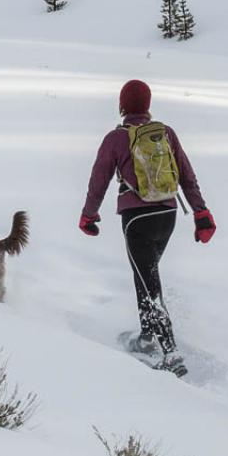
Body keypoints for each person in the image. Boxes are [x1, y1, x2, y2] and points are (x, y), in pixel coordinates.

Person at [81, 79, 214, 373]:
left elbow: (99, 180)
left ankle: (171, 354)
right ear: (148, 105)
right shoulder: (165, 134)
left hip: (136, 219)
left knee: (149, 282)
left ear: (122, 105)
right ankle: (146, 337)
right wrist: (201, 213)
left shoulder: (115, 139)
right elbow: (186, 175)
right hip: (167, 216)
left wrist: (88, 215)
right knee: (146, 275)